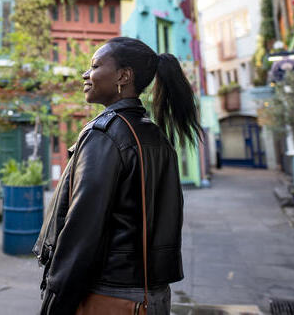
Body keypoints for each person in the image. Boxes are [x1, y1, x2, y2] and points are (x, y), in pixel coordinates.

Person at [34, 37, 203, 315]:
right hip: (153, 292)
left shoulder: (105, 133)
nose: (85, 74)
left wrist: (56, 300)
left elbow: (83, 228)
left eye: (95, 66)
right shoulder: (155, 134)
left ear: (123, 76)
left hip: (111, 294)